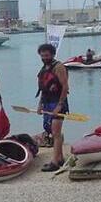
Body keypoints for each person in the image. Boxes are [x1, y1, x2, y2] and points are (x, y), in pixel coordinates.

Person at [36, 43, 69, 172]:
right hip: (47, 102)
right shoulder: (45, 68)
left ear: (53, 54)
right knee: (52, 131)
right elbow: (43, 89)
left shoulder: (59, 67)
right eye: (42, 56)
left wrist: (59, 105)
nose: (44, 58)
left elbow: (65, 87)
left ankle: (55, 162)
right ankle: (60, 157)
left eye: (47, 55)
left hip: (58, 102)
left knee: (55, 132)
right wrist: (40, 104)